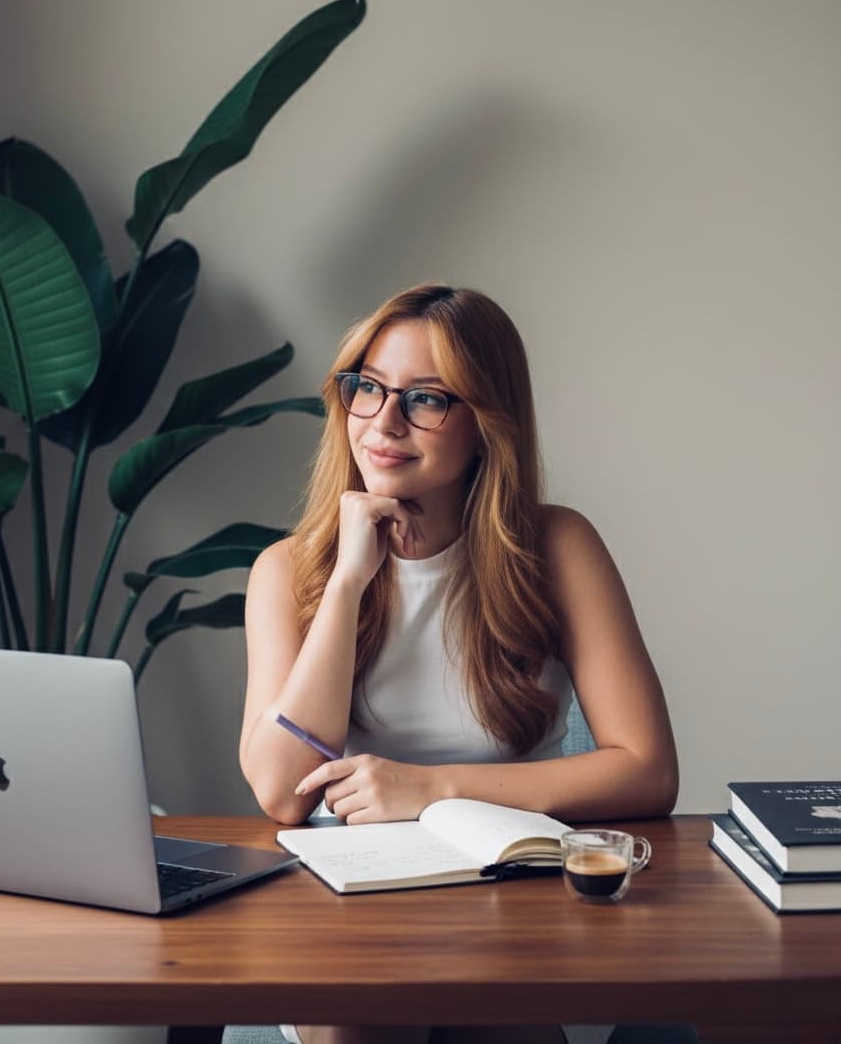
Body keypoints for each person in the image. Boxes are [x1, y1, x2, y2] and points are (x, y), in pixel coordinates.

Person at [240, 283, 679, 1044]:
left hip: (514, 886)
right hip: (350, 892)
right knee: (356, 1021)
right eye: (367, 389)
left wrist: (427, 789)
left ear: (486, 425)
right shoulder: (288, 571)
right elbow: (281, 792)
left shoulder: (557, 547)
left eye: (427, 399)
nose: (383, 422)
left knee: (503, 1015)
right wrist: (347, 582)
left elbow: (647, 770)